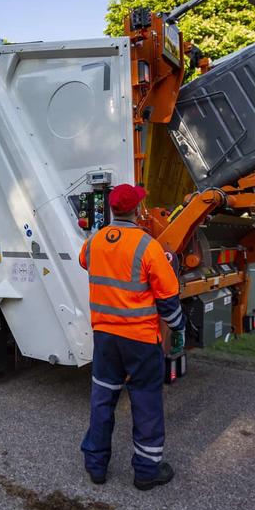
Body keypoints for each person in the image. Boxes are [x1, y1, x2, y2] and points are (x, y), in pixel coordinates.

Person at [78, 184, 185, 491]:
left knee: (102, 400)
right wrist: (177, 326)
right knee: (146, 401)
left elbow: (83, 261)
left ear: (112, 210)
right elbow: (167, 297)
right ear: (137, 211)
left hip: (105, 339)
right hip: (139, 340)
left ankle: (96, 466)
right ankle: (146, 472)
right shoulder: (147, 246)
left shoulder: (94, 242)